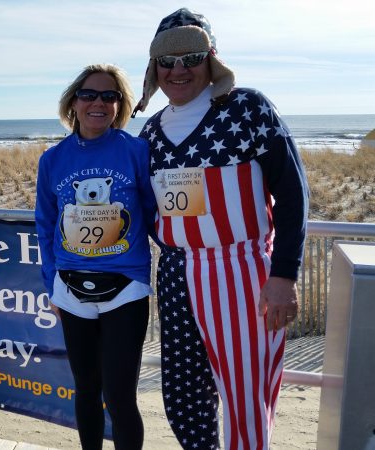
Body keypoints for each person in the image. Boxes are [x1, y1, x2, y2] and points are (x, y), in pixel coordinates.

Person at [132, 8, 309, 449]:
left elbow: (293, 194)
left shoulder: (246, 108)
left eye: (190, 56)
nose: (178, 70)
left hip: (240, 271)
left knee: (245, 397)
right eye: (166, 61)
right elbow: (153, 210)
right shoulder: (151, 133)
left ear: (211, 59)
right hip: (175, 272)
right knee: (183, 395)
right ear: (154, 69)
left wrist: (283, 275)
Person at [35, 64, 156, 450]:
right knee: (86, 390)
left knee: (120, 398)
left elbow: (157, 216)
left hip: (127, 290)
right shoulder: (52, 160)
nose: (98, 103)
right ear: (73, 102)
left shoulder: (137, 151)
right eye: (89, 95)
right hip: (70, 291)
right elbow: (45, 223)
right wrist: (51, 283)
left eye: (110, 96)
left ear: (120, 105)